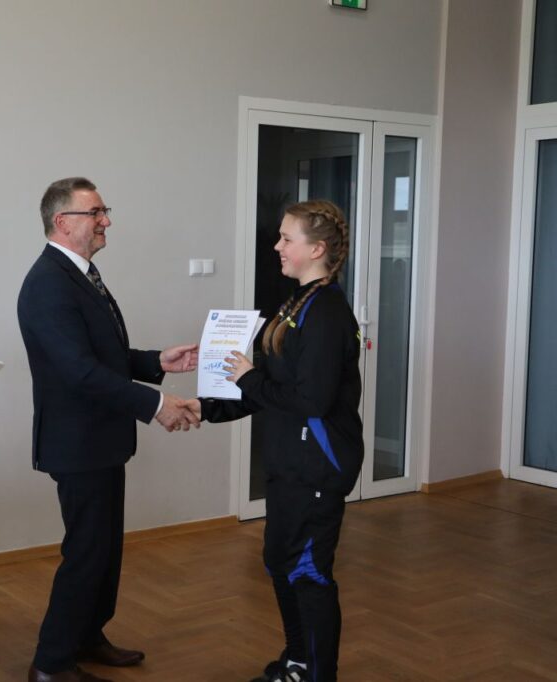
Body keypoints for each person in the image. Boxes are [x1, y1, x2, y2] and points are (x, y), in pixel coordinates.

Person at [17, 177, 200, 682]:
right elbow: (78, 372)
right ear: (62, 222)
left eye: (104, 211)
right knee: (86, 552)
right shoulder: (48, 283)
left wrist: (156, 361)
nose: (107, 221)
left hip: (101, 438)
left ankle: (87, 635)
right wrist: (155, 404)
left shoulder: (80, 273)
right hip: (77, 443)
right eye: (95, 213)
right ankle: (51, 664)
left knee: (104, 550)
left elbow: (102, 355)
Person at [189, 200, 363, 682]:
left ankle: (317, 673)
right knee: (281, 563)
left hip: (317, 467)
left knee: (308, 572)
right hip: (289, 463)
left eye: (287, 238)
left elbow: (311, 399)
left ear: (317, 249)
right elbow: (268, 388)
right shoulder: (297, 302)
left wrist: (248, 378)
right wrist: (204, 408)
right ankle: (297, 660)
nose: (277, 246)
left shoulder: (326, 312)